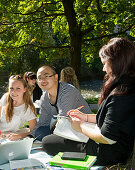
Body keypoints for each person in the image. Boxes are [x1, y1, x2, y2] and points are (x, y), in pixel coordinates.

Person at [42, 37, 135, 166]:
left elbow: (107, 137)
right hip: (112, 143)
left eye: (104, 64)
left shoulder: (121, 94)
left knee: (48, 142)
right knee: (55, 126)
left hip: (108, 150)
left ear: (116, 62)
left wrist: (80, 127)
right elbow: (113, 119)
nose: (103, 69)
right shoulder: (126, 86)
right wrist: (85, 117)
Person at [30, 65, 91, 140]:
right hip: (63, 128)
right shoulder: (44, 98)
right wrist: (30, 136)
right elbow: (43, 122)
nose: (42, 80)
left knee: (47, 139)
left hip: (82, 129)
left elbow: (63, 118)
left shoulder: (68, 91)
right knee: (40, 132)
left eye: (46, 76)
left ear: (56, 77)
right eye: (39, 78)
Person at [0, 75, 37, 141]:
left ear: (25, 89)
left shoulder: (27, 109)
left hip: (7, 138)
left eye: (18, 88)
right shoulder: (6, 97)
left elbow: (34, 131)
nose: (14, 92)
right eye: (11, 88)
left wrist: (20, 136)